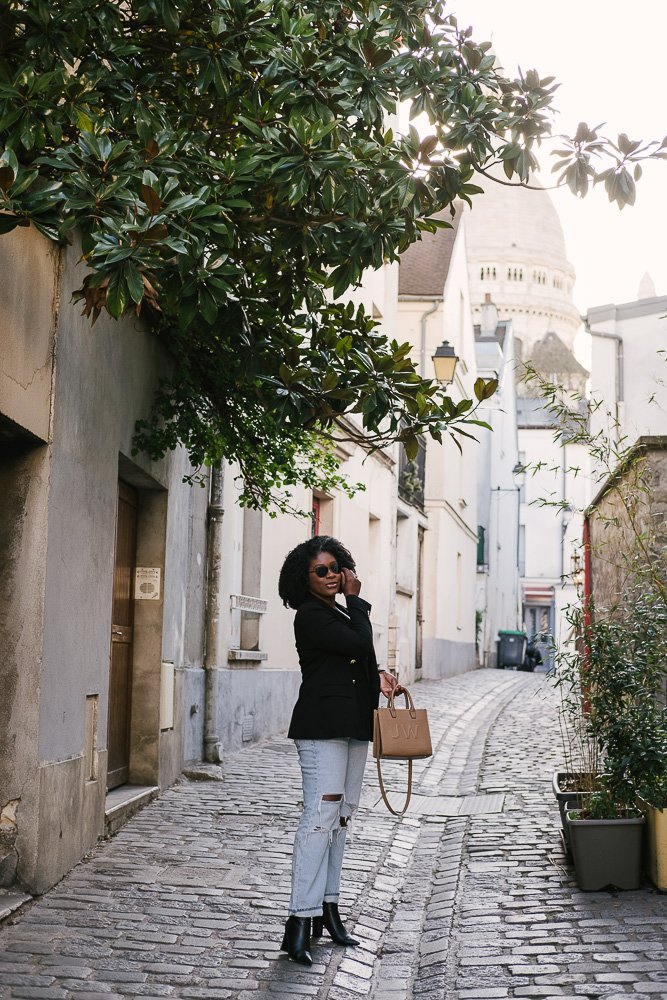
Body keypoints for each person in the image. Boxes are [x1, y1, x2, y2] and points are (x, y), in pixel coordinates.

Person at [278, 534, 401, 966]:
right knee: (319, 817)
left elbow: (359, 656)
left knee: (342, 816)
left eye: (336, 568)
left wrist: (382, 674)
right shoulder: (311, 615)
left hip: (352, 727)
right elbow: (356, 644)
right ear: (305, 578)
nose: (331, 576)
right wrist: (356, 601)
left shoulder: (336, 613)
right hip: (322, 729)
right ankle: (299, 920)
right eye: (321, 571)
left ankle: (328, 910)